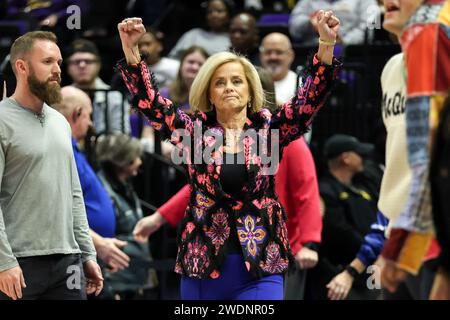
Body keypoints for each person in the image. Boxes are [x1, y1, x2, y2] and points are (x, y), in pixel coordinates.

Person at [116, 12, 340, 300]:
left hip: (262, 265)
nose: (229, 87)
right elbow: (151, 105)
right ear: (209, 93)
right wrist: (132, 50)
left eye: (237, 81)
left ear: (250, 91)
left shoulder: (269, 130)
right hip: (203, 266)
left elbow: (310, 99)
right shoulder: (192, 132)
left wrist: (326, 43)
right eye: (220, 82)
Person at [0, 31, 102, 300]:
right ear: (22, 67)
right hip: (18, 261)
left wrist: (88, 252)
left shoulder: (60, 121)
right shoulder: (1, 119)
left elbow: (74, 193)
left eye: (59, 62)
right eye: (47, 62)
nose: (57, 69)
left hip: (68, 260)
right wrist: (3, 262)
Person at [375, 0, 449, 299]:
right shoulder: (393, 66)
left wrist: (402, 247)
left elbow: (429, 159)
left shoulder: (429, 29)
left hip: (428, 236)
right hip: (404, 227)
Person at [53, 86, 133, 294]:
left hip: (88, 252)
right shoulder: (58, 150)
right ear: (77, 113)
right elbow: (58, 210)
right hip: (74, 256)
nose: (90, 124)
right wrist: (98, 243)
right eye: (88, 116)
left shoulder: (72, 147)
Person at [307, 134, 379, 300]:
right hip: (341, 275)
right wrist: (374, 249)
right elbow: (340, 233)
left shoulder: (362, 188)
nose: (363, 157)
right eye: (358, 153)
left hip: (371, 269)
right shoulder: (325, 191)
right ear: (346, 158)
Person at [95, 133, 159, 300]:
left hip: (135, 278)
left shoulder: (125, 185)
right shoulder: (103, 192)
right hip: (117, 283)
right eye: (135, 157)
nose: (139, 161)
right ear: (122, 162)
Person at [66, 38, 130, 135]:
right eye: (76, 62)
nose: (82, 65)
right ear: (68, 68)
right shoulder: (61, 98)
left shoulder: (114, 96)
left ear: (98, 65)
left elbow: (120, 137)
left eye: (88, 61)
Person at [289, 0, 380, 45]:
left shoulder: (366, 1)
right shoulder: (307, 1)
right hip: (313, 51)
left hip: (352, 54)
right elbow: (293, 27)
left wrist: (343, 41)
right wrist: (310, 23)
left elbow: (370, 27)